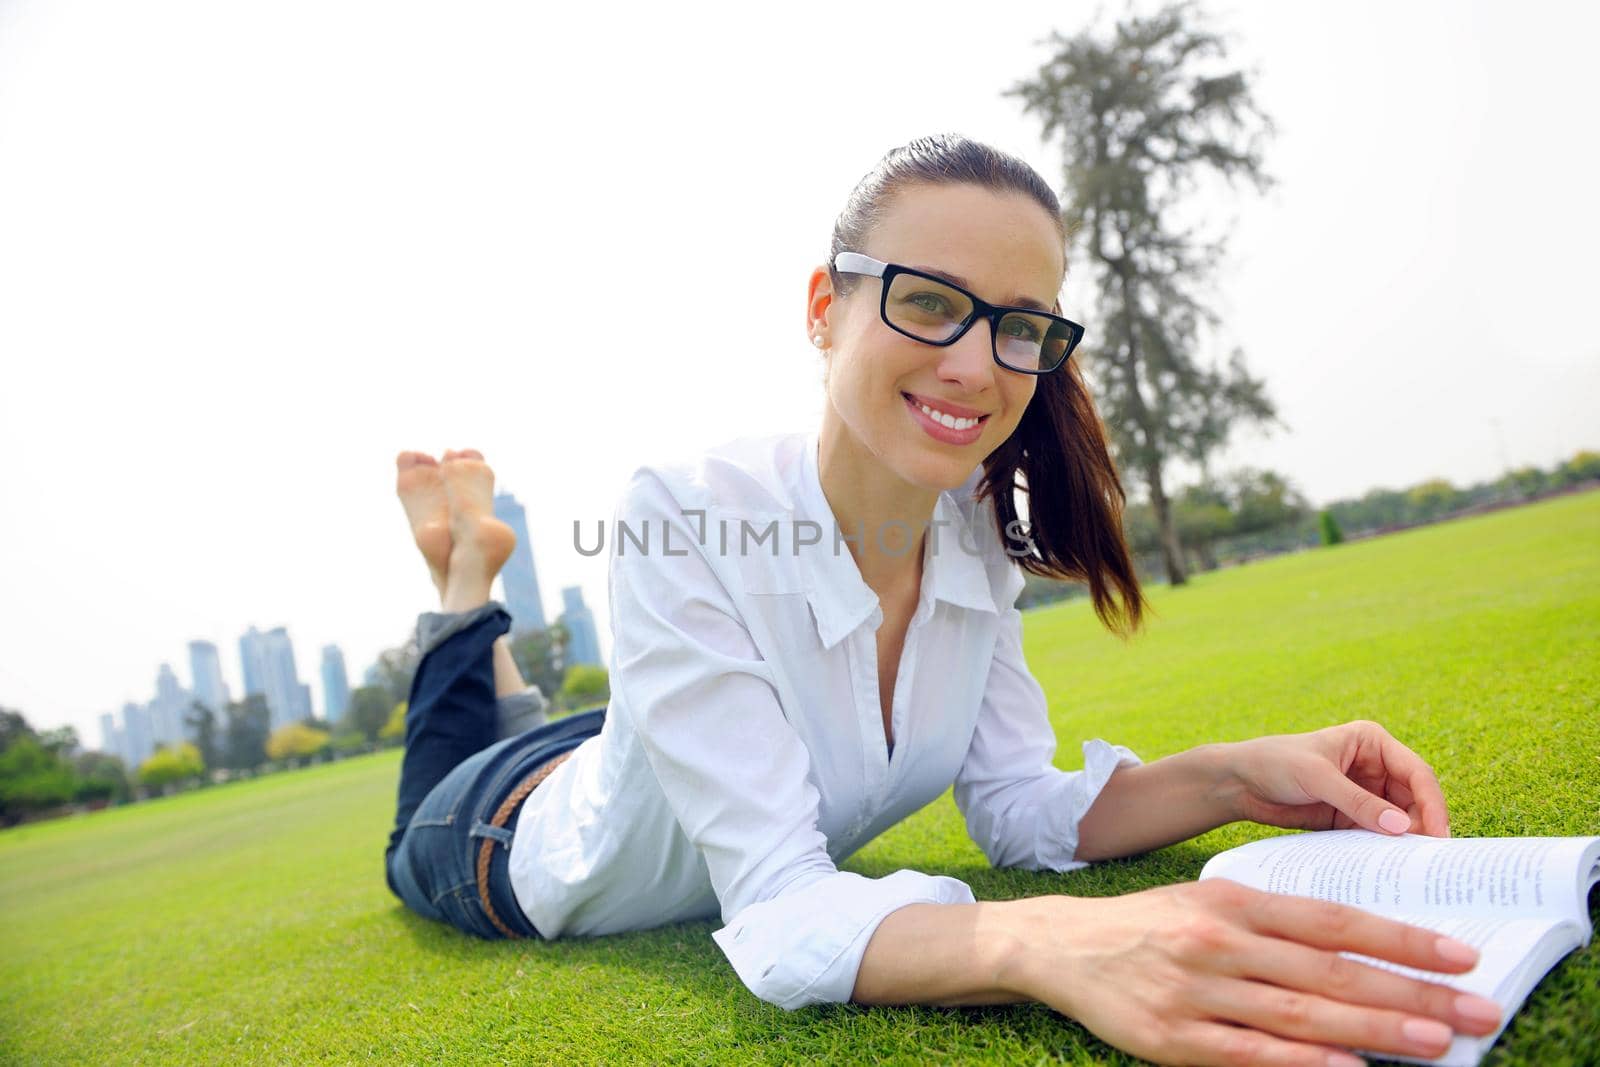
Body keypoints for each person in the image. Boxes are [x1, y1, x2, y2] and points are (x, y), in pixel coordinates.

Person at [383, 133, 1504, 1066]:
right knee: (448, 740)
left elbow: (1018, 806)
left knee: (588, 727)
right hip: (499, 830)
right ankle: (464, 590)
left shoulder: (973, 536)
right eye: (928, 302)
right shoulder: (685, 511)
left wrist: (1234, 773)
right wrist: (1052, 943)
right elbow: (775, 906)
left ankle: (476, 600)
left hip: (648, 740)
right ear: (825, 308)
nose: (976, 363)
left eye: (1020, 324)